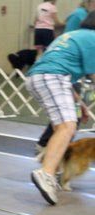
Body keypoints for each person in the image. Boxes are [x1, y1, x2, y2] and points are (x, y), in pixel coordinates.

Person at [26, 11, 95, 205]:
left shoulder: (71, 35)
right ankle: (46, 174)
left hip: (38, 78)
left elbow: (65, 72)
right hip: (53, 78)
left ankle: (53, 170)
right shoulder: (93, 39)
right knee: (68, 127)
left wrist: (80, 105)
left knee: (61, 128)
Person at [36, 0, 95, 152]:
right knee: (68, 120)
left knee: (69, 116)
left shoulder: (84, 19)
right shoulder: (79, 16)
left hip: (65, 74)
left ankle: (53, 148)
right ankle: (47, 147)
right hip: (61, 73)